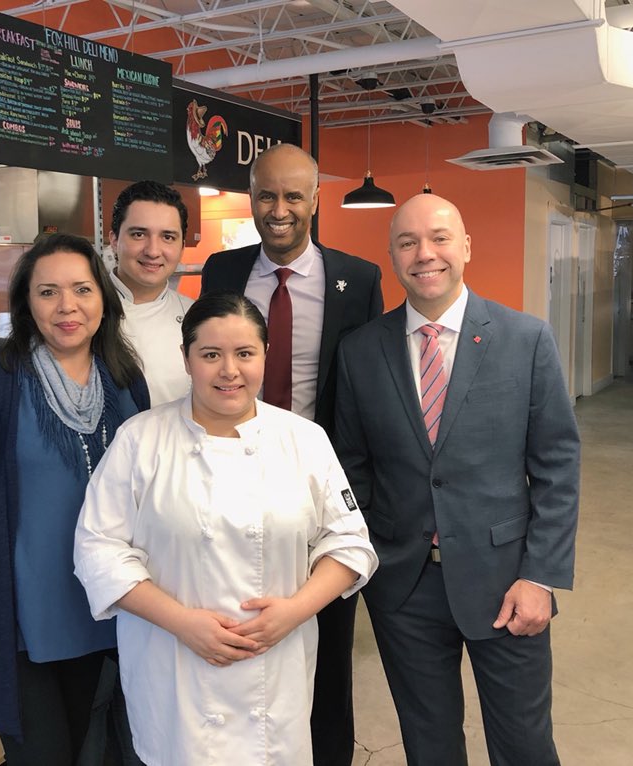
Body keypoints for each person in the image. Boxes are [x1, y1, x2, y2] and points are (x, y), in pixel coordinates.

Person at [73, 292, 378, 766]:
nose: (228, 370)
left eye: (244, 353)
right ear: (187, 359)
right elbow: (98, 551)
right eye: (211, 354)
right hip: (175, 665)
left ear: (265, 356)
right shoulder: (141, 440)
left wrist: (294, 612)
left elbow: (350, 543)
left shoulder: (303, 439)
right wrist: (183, 623)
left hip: (274, 668)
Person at [334, 193, 580, 765]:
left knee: (524, 745)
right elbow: (351, 468)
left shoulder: (526, 339)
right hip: (405, 588)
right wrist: (374, 562)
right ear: (392, 254)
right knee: (429, 745)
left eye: (440, 237)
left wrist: (540, 576)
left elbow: (557, 466)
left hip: (507, 584)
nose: (425, 254)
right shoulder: (361, 351)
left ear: (466, 246)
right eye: (407, 241)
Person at [0, 233, 149, 765]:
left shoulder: (126, 380)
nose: (67, 307)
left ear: (103, 300)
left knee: (93, 751)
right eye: (48, 292)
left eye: (82, 290)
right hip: (21, 621)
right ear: (26, 304)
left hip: (106, 610)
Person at [199, 142, 382, 765]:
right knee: (239, 633)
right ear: (251, 199)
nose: (279, 210)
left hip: (314, 491)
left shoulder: (358, 281)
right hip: (229, 484)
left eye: (293, 196)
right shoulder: (221, 273)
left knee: (327, 651)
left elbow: (370, 386)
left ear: (316, 201)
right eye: (266, 196)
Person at [0, 180, 193, 407]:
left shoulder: (198, 317)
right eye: (138, 234)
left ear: (182, 244)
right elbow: (13, 361)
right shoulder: (71, 311)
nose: (153, 250)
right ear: (113, 240)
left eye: (168, 237)